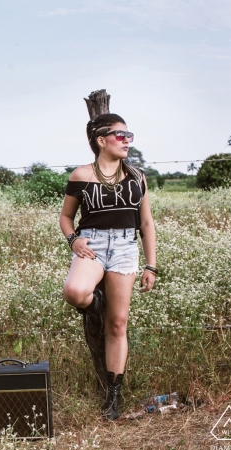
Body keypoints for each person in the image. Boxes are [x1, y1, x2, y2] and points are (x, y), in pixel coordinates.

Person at [59, 113, 157, 420]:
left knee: (117, 324)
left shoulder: (138, 176)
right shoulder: (81, 175)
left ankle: (113, 397)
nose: (127, 141)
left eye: (130, 136)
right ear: (101, 141)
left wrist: (151, 265)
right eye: (120, 135)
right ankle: (95, 301)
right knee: (75, 292)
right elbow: (65, 217)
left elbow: (146, 223)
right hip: (93, 245)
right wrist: (73, 239)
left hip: (126, 247)